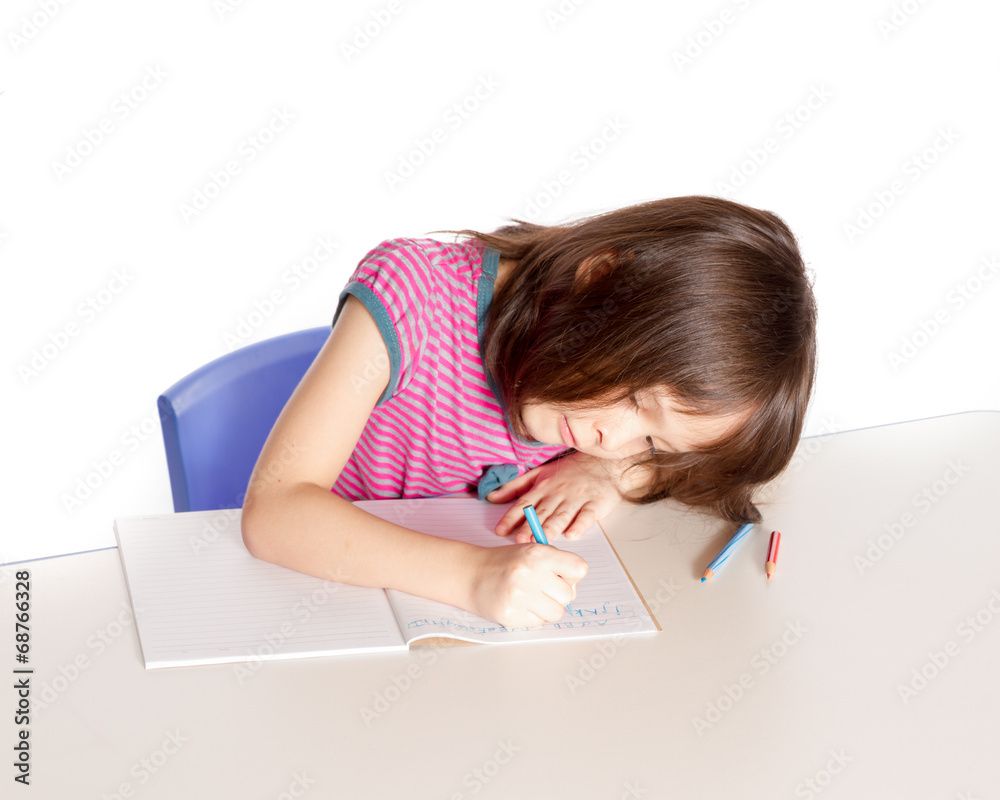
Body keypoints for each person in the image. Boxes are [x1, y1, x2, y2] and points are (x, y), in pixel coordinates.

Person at [241, 196, 817, 629]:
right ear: (599, 281)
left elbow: (691, 467)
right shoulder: (413, 296)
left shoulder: (603, 431)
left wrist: (607, 473)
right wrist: (471, 576)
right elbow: (274, 512)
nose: (607, 437)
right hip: (333, 609)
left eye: (651, 444)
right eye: (636, 401)